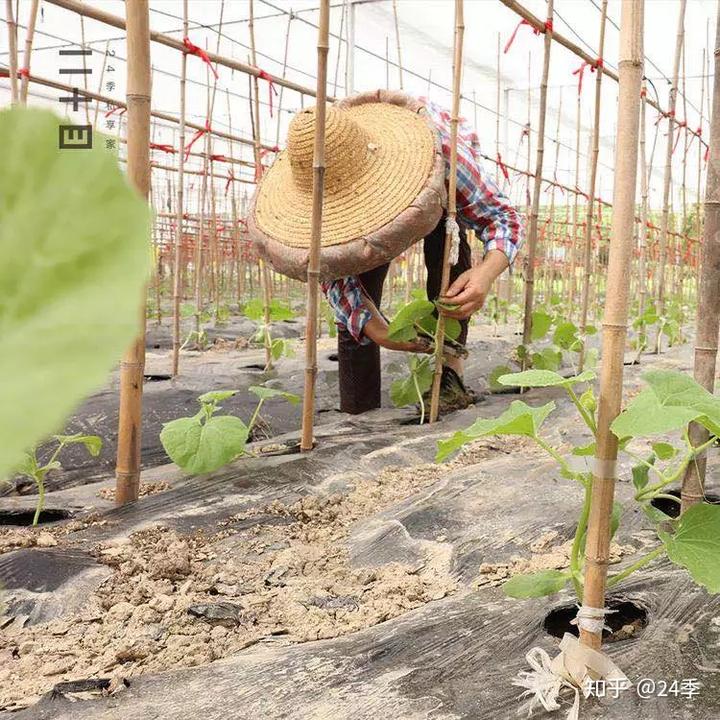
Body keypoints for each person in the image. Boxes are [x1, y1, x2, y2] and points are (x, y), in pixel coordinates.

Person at [247, 90, 523, 415]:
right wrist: (372, 327)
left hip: (435, 187)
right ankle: (359, 414)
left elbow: (502, 219)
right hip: (366, 188)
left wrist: (485, 273)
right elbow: (328, 268)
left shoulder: (442, 153)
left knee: (449, 253)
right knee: (357, 295)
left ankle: (450, 376)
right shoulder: (308, 184)